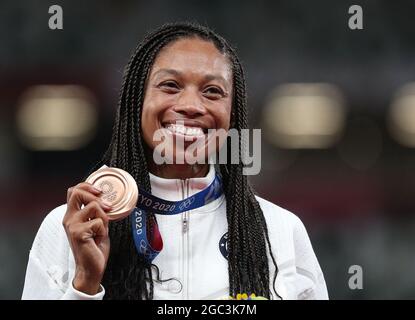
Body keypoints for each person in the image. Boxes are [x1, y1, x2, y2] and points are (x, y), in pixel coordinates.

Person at [21, 22, 328, 300]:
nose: (192, 105)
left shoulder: (280, 231)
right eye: (170, 85)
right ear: (136, 100)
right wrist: (85, 284)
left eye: (212, 91)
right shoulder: (72, 228)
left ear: (232, 114)